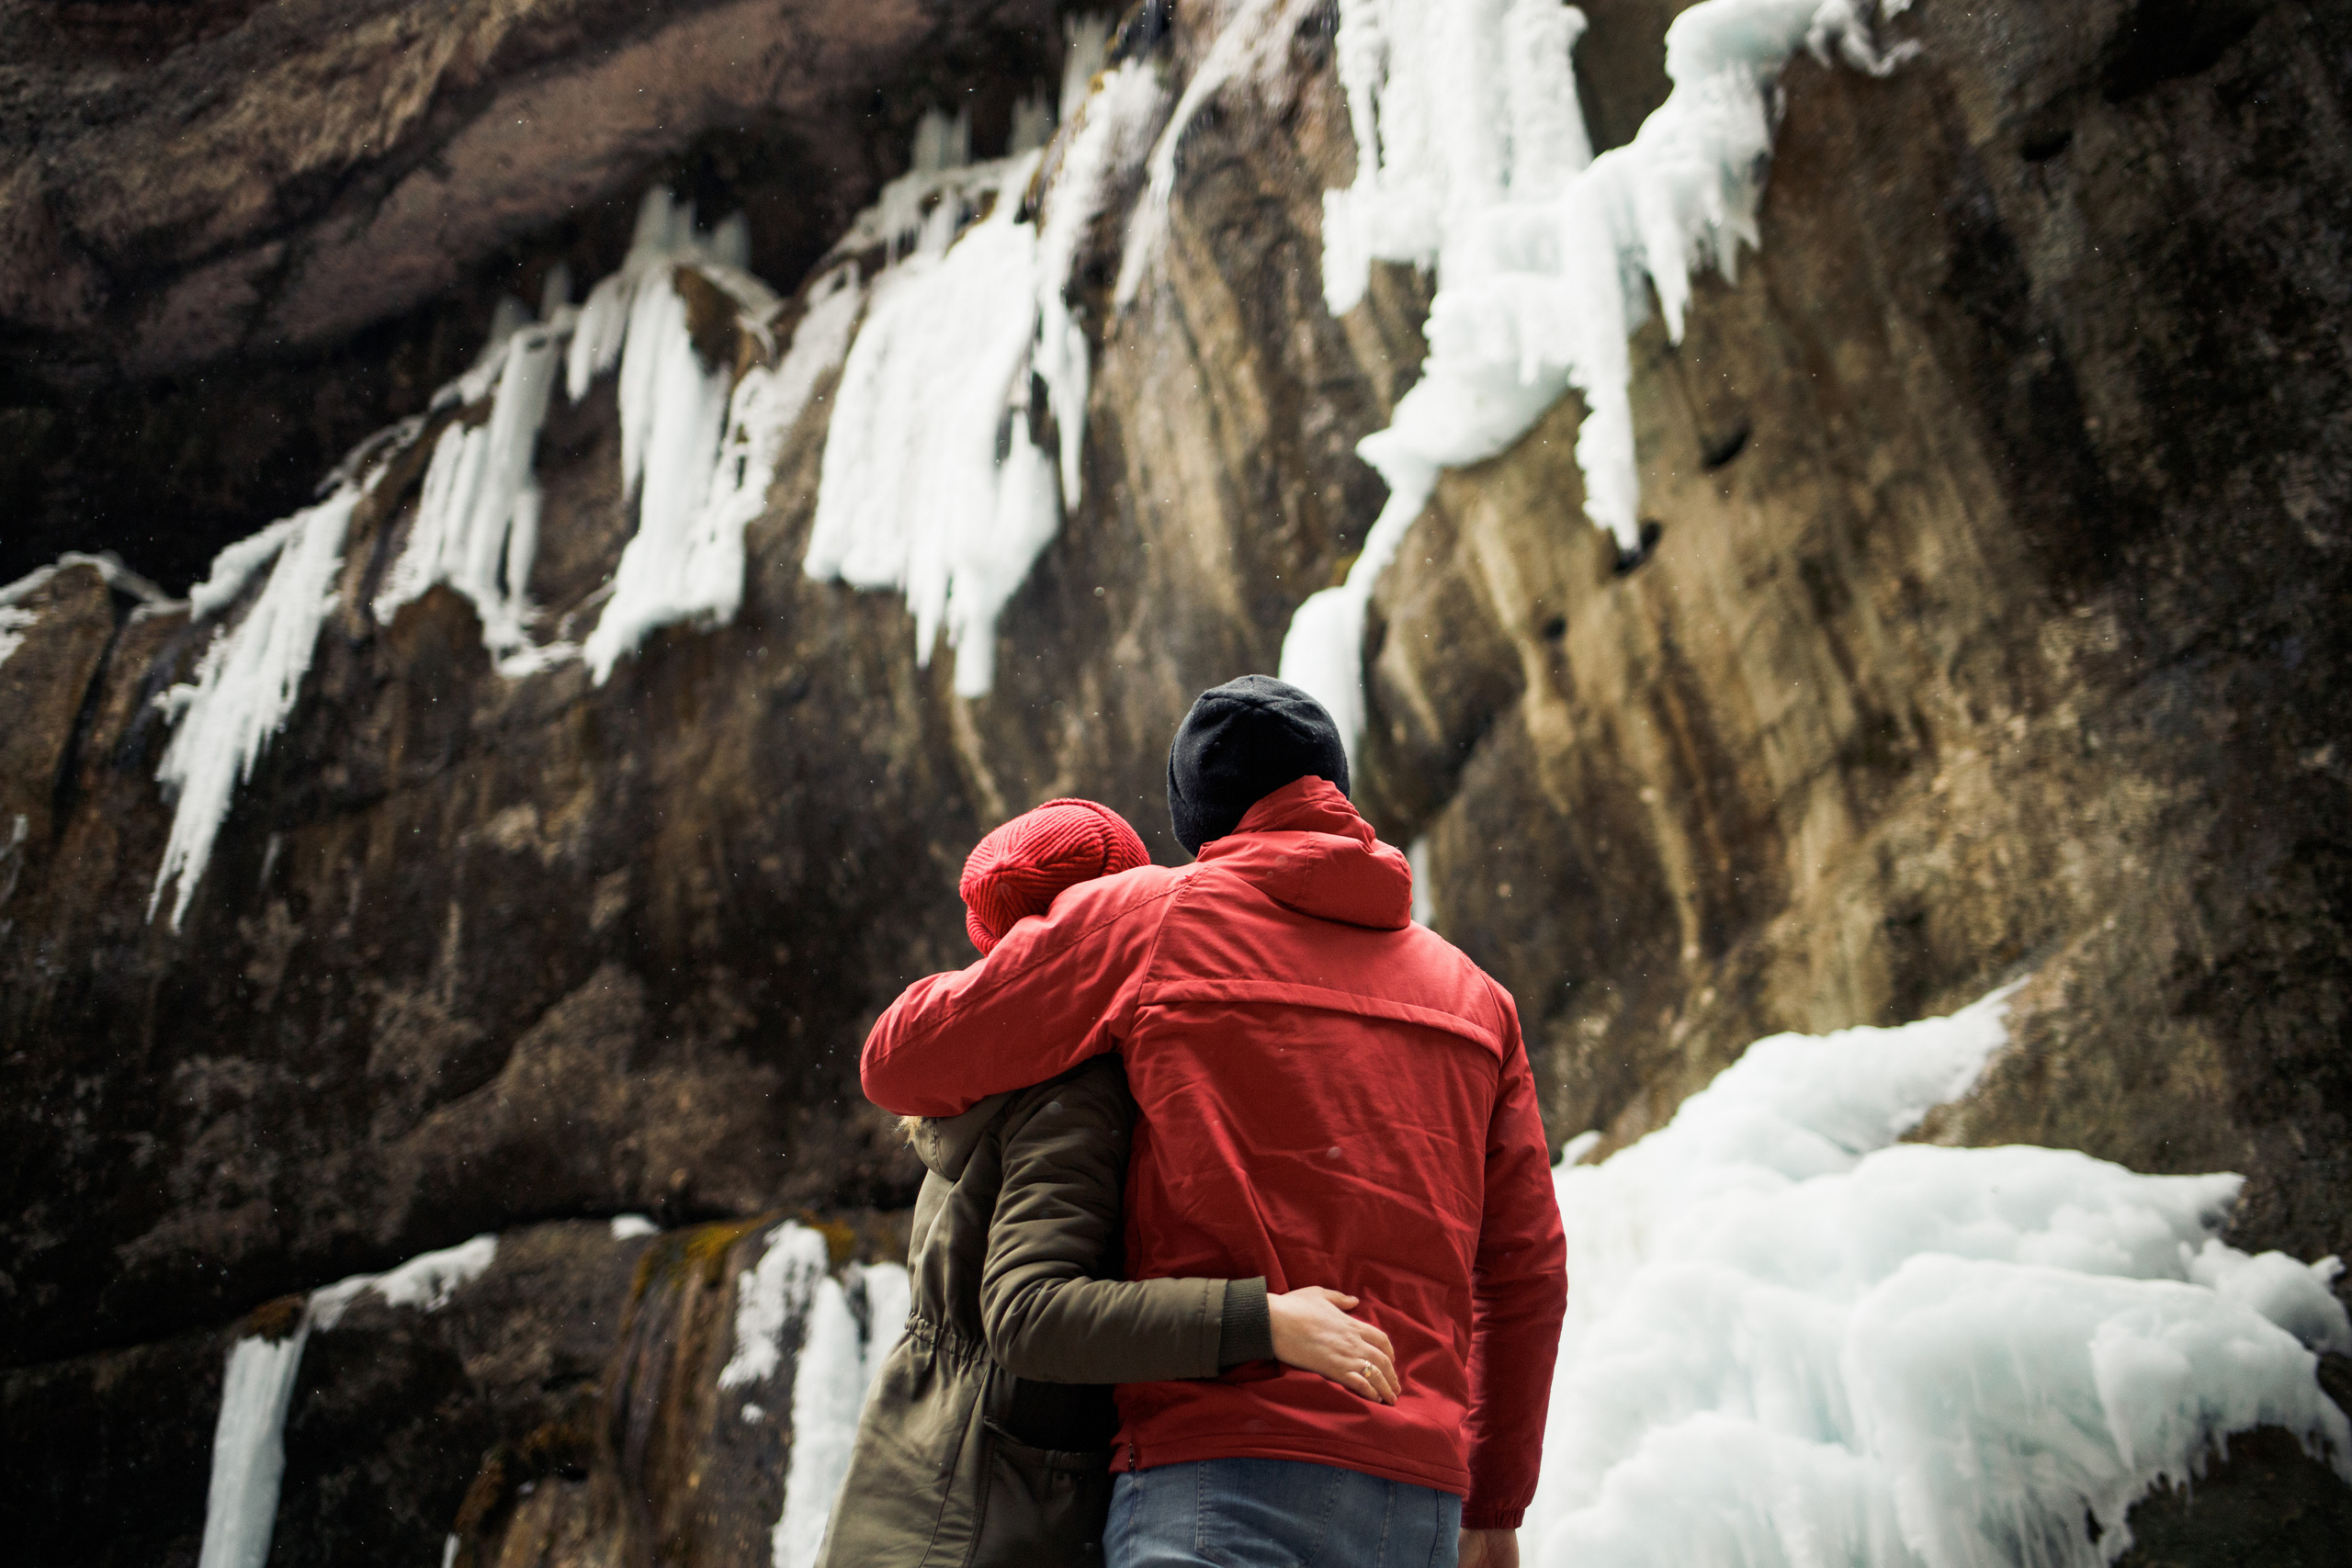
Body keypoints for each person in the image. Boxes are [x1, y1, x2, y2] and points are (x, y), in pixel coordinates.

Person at [862, 676, 1569, 1568]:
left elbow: (897, 1059)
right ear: (1340, 793)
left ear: (1196, 823)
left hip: (1215, 1476)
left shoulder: (1153, 918)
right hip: (1413, 1500)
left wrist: (1042, 958)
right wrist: (1495, 1504)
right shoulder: (1478, 1001)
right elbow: (1526, 1273)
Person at [819, 796, 1404, 1568]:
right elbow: (1030, 1313)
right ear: (1100, 923)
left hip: (919, 1498)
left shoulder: (977, 1083)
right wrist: (1262, 1319)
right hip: (981, 1524)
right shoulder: (1074, 1094)